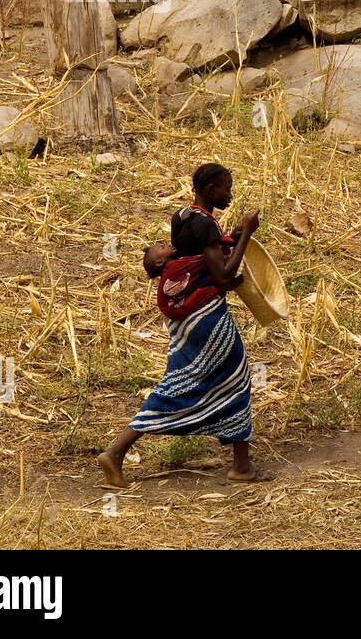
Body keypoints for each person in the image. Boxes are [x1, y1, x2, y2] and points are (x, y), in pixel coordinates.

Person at [98, 163, 267, 487]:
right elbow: (222, 275)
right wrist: (246, 231)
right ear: (209, 190)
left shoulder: (182, 217)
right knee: (236, 379)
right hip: (207, 318)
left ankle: (117, 452)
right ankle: (241, 467)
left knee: (183, 380)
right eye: (225, 188)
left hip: (185, 318)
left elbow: (192, 263)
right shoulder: (205, 226)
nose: (229, 194)